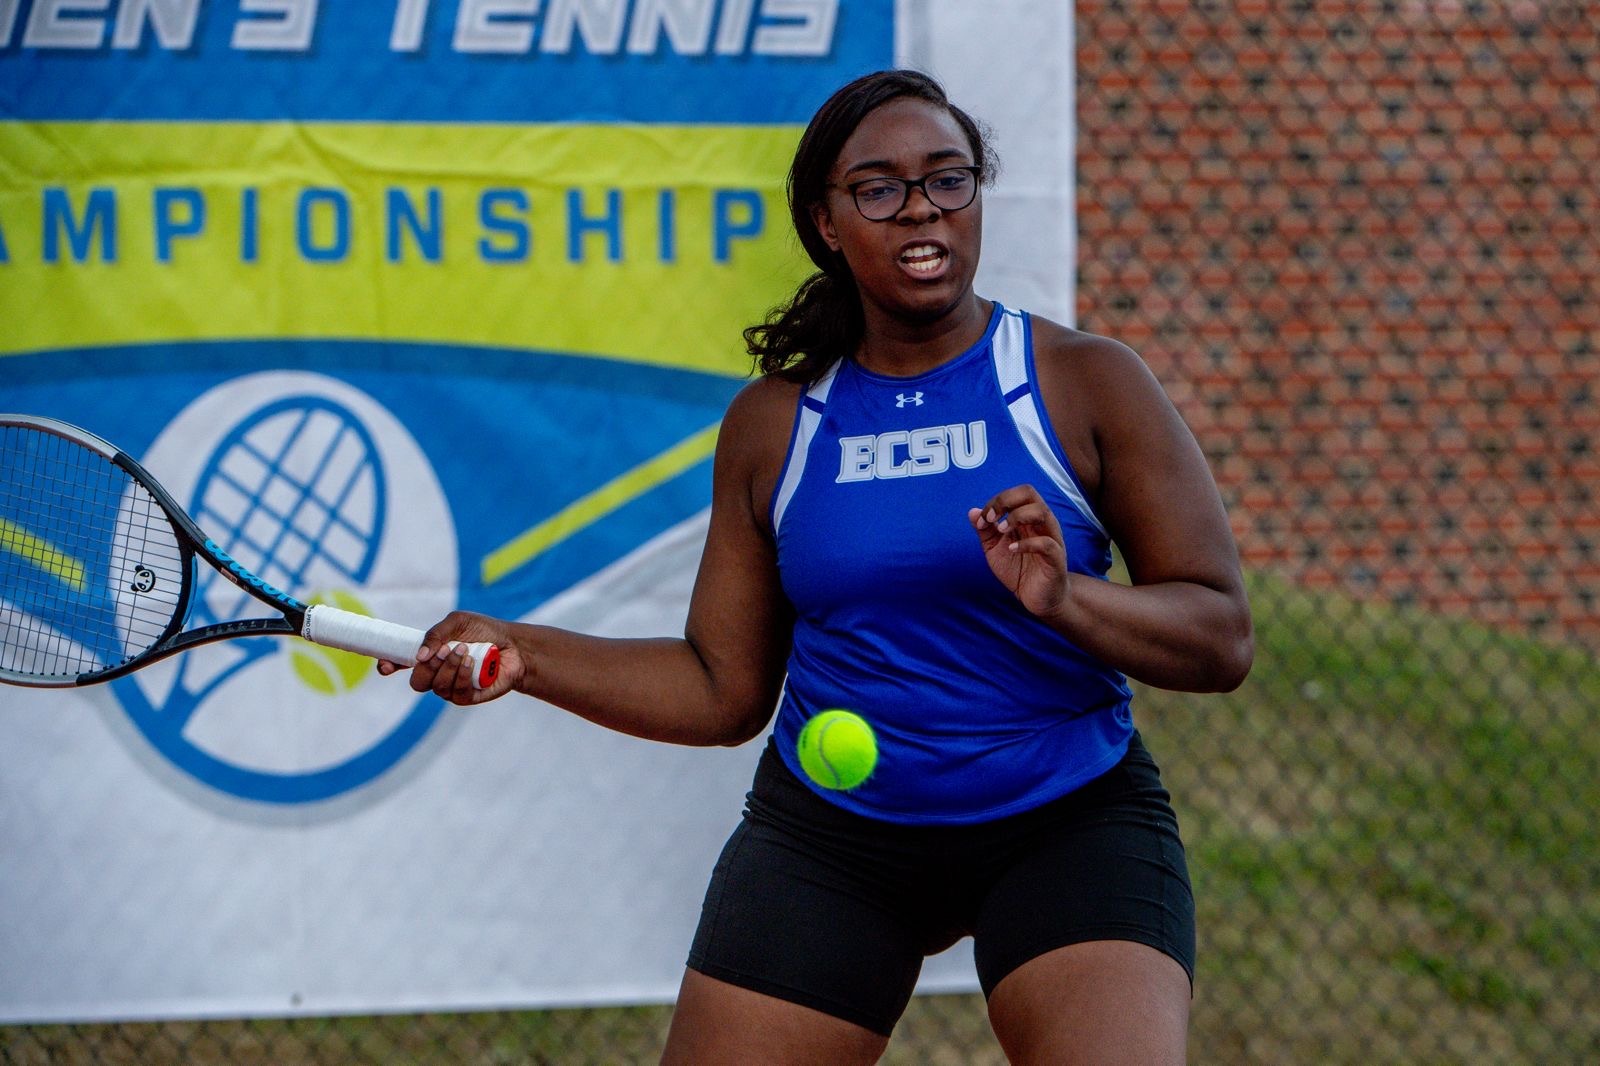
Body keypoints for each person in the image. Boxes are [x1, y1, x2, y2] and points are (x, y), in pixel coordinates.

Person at [382, 69, 1253, 1065]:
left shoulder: (1083, 380)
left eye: (947, 179)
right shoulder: (775, 422)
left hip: (1064, 817)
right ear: (826, 223)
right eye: (878, 188)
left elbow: (1220, 637)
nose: (920, 206)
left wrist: (1067, 599)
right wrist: (524, 652)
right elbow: (721, 688)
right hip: (835, 840)